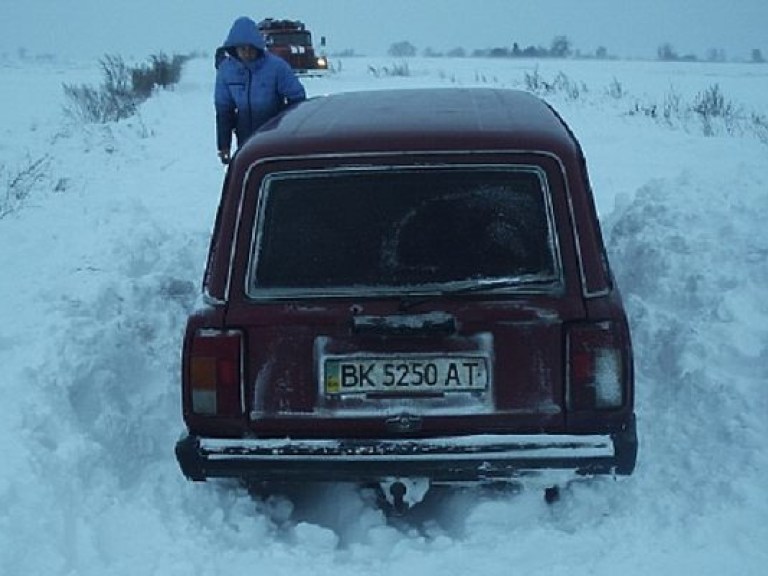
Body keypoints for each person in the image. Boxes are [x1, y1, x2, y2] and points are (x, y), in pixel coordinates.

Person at [214, 16, 306, 164]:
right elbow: (224, 110)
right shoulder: (226, 71)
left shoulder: (276, 67)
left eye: (251, 48)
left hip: (275, 136)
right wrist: (224, 145)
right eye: (242, 48)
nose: (247, 52)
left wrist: (283, 122)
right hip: (245, 138)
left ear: (258, 46)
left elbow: (297, 98)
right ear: (233, 49)